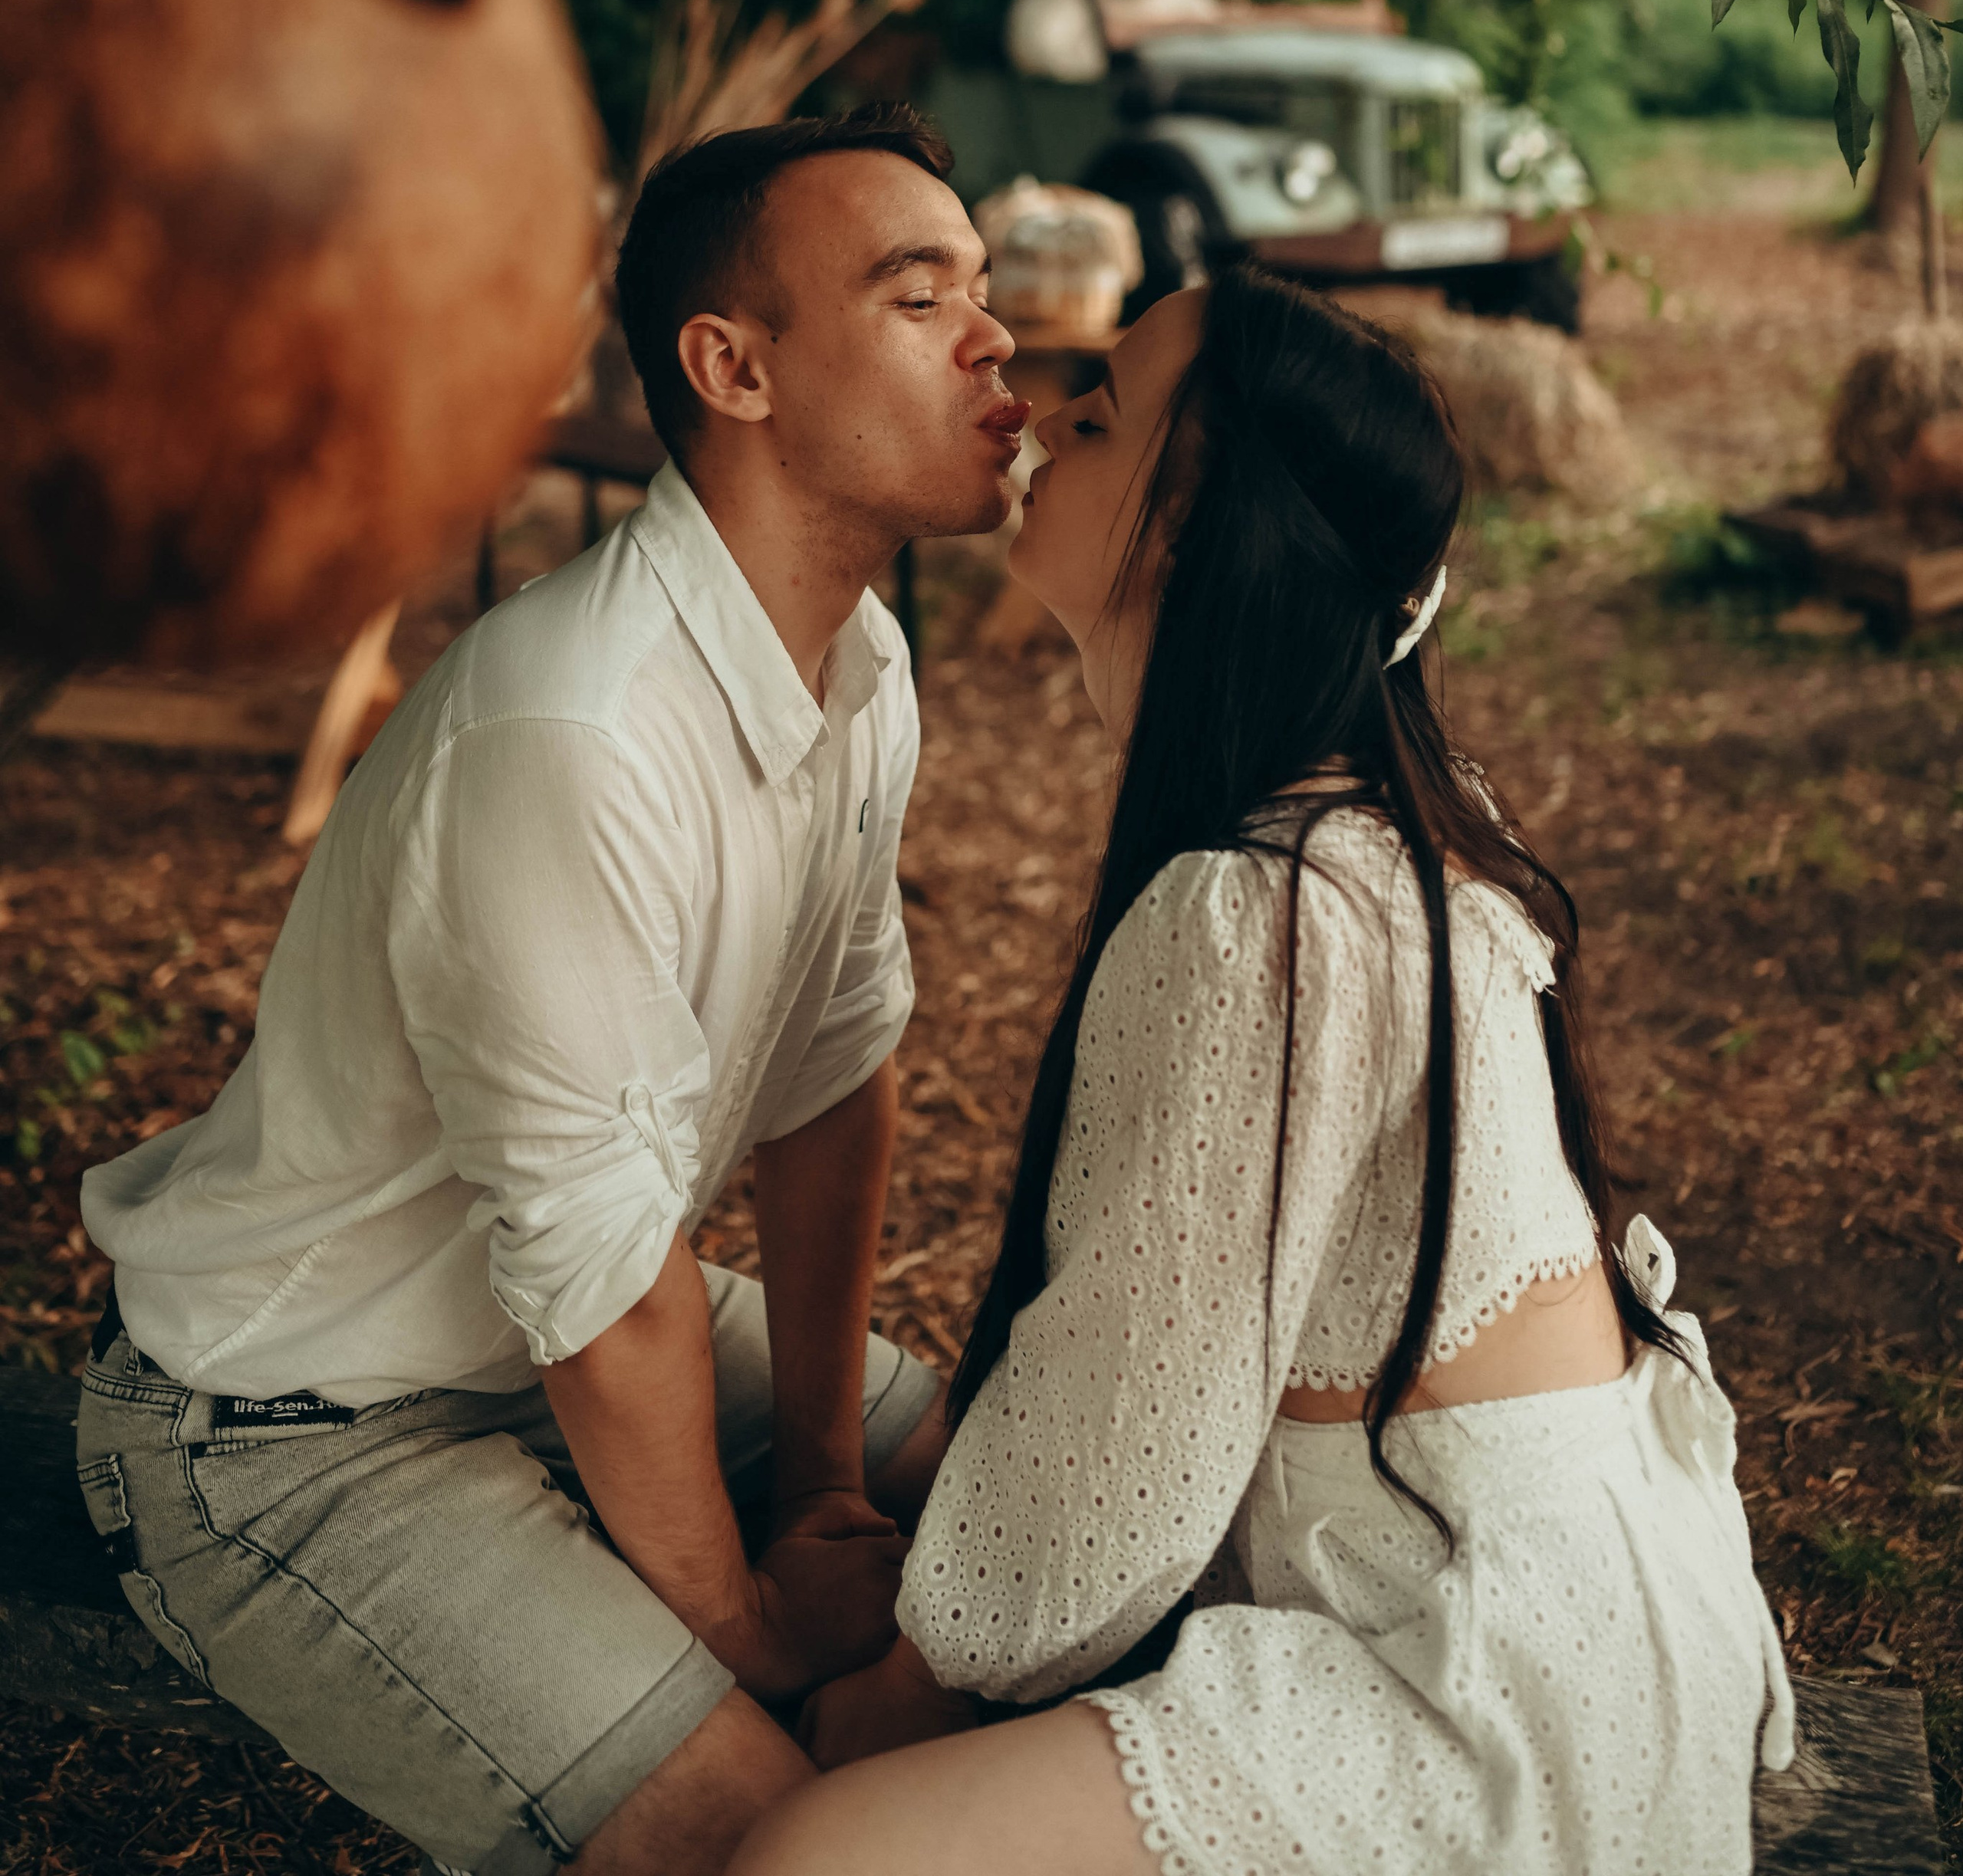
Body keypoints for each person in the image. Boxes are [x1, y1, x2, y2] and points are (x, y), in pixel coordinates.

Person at [729, 264, 1795, 1876]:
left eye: (1095, 415)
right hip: (1564, 1586)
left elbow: (1123, 1459)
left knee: (814, 1855)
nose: (1033, 414)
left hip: (1472, 1663)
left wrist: (907, 1680)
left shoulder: (1270, 915)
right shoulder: (1371, 816)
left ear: (1194, 528)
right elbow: (1122, 1328)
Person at [76, 103, 1030, 1876]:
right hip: (301, 1425)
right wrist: (742, 1630)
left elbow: (832, 1088)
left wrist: (823, 1476)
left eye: (982, 287)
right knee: (780, 1846)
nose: (995, 339)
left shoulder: (860, 664)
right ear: (730, 368)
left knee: (1016, 1484)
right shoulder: (573, 731)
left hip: (557, 1324)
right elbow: (608, 1309)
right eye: (918, 298)